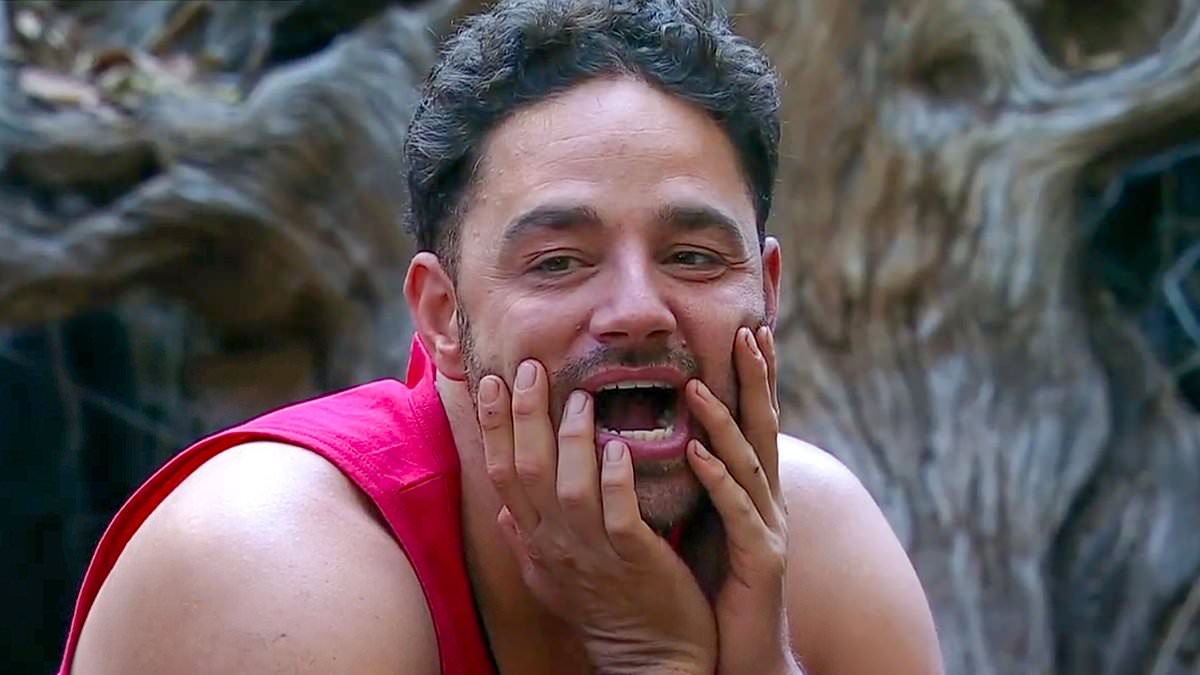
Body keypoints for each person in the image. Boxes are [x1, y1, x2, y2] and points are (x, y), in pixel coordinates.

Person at [60, 0, 944, 673]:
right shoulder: (274, 563)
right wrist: (658, 661)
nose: (638, 308)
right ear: (442, 315)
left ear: (768, 290)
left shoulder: (811, 541)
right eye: (558, 262)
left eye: (693, 256)